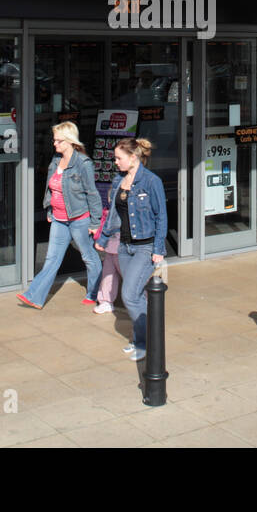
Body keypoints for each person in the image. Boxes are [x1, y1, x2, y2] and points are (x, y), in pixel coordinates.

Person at [18, 122, 102, 309]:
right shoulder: (55, 161)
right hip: (58, 218)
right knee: (52, 258)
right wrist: (49, 210)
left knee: (88, 256)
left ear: (70, 141)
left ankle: (95, 292)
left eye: (59, 141)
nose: (55, 144)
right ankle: (34, 297)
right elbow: (51, 188)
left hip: (79, 218)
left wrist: (95, 222)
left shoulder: (83, 164)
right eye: (54, 140)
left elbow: (92, 193)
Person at [101, 136, 167, 361]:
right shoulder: (119, 180)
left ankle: (147, 342)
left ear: (133, 157)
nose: (116, 162)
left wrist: (158, 248)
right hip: (124, 246)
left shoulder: (151, 181)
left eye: (119, 158)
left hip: (144, 247)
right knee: (135, 295)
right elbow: (113, 215)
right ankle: (143, 338)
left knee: (129, 294)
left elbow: (161, 216)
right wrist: (103, 237)